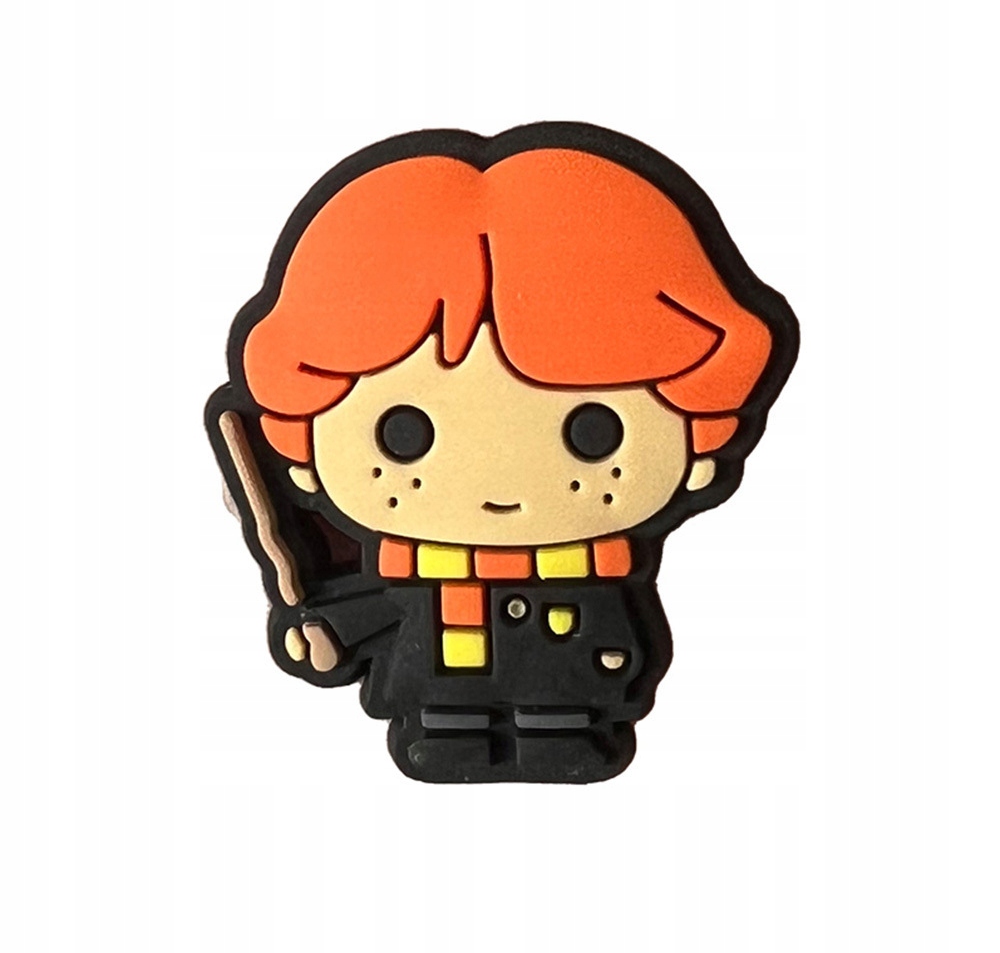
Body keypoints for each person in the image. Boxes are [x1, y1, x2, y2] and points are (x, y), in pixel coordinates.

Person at [206, 123, 798, 783]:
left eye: (592, 432)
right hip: (440, 684)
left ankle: (561, 729)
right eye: (403, 435)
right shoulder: (416, 569)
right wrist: (330, 632)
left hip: (573, 675)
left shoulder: (591, 568)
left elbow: (608, 629)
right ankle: (457, 731)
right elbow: (389, 610)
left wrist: (610, 659)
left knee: (561, 710)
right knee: (447, 718)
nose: (498, 480)